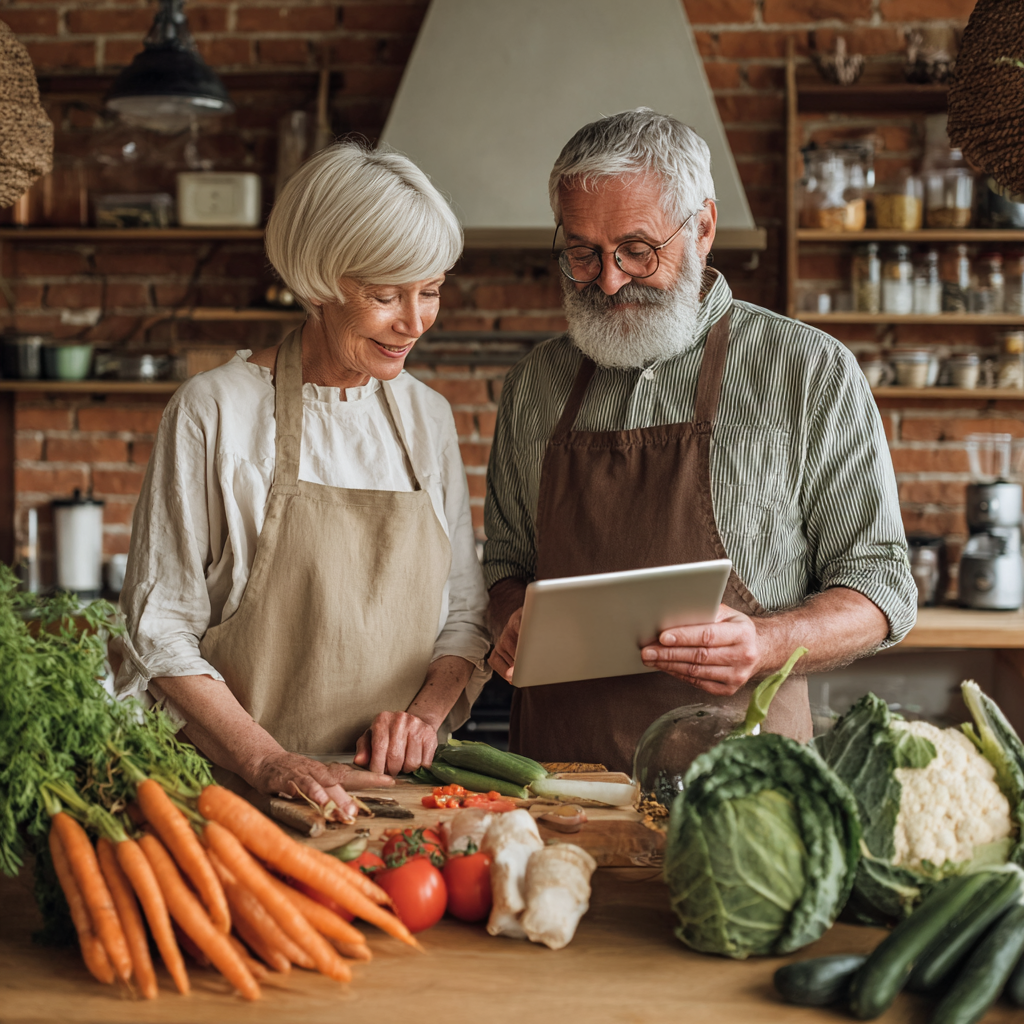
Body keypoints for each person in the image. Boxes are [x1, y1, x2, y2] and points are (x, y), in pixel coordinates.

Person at [484, 109, 917, 774]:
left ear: (704, 228)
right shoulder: (535, 384)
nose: (607, 280)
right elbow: (506, 566)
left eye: (638, 250)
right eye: (582, 252)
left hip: (746, 789)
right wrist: (510, 619)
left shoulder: (807, 371)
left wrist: (766, 642)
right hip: (562, 787)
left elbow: (881, 587)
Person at [117, 142, 491, 819]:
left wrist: (425, 720)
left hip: (398, 800)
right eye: (385, 296)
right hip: (241, 800)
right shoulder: (215, 410)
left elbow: (464, 617)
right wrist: (268, 760)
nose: (415, 323)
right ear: (318, 284)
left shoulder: (427, 417)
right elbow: (158, 628)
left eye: (430, 291)